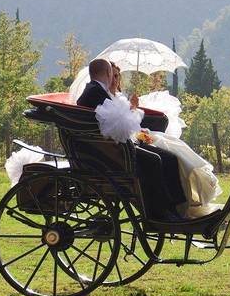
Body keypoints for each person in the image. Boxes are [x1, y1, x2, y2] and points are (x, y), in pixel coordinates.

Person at [77, 58, 188, 221]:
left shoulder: (95, 91)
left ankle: (174, 208)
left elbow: (116, 121)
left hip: (111, 148)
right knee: (155, 160)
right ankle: (158, 213)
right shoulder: (95, 92)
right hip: (111, 152)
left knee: (168, 157)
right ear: (108, 73)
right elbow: (117, 124)